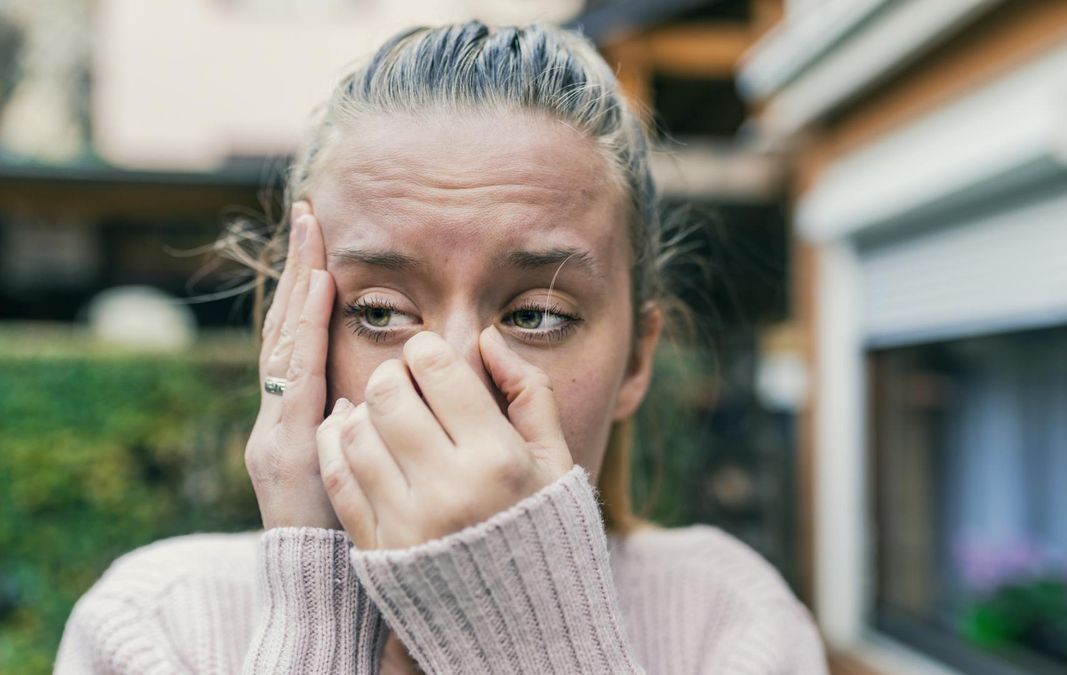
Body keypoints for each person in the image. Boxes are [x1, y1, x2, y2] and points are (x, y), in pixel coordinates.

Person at [53, 21, 828, 674]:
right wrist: (318, 615)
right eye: (379, 311)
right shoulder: (153, 628)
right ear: (289, 337)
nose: (449, 374)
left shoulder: (731, 625)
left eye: (538, 315)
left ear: (636, 360)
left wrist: (532, 639)